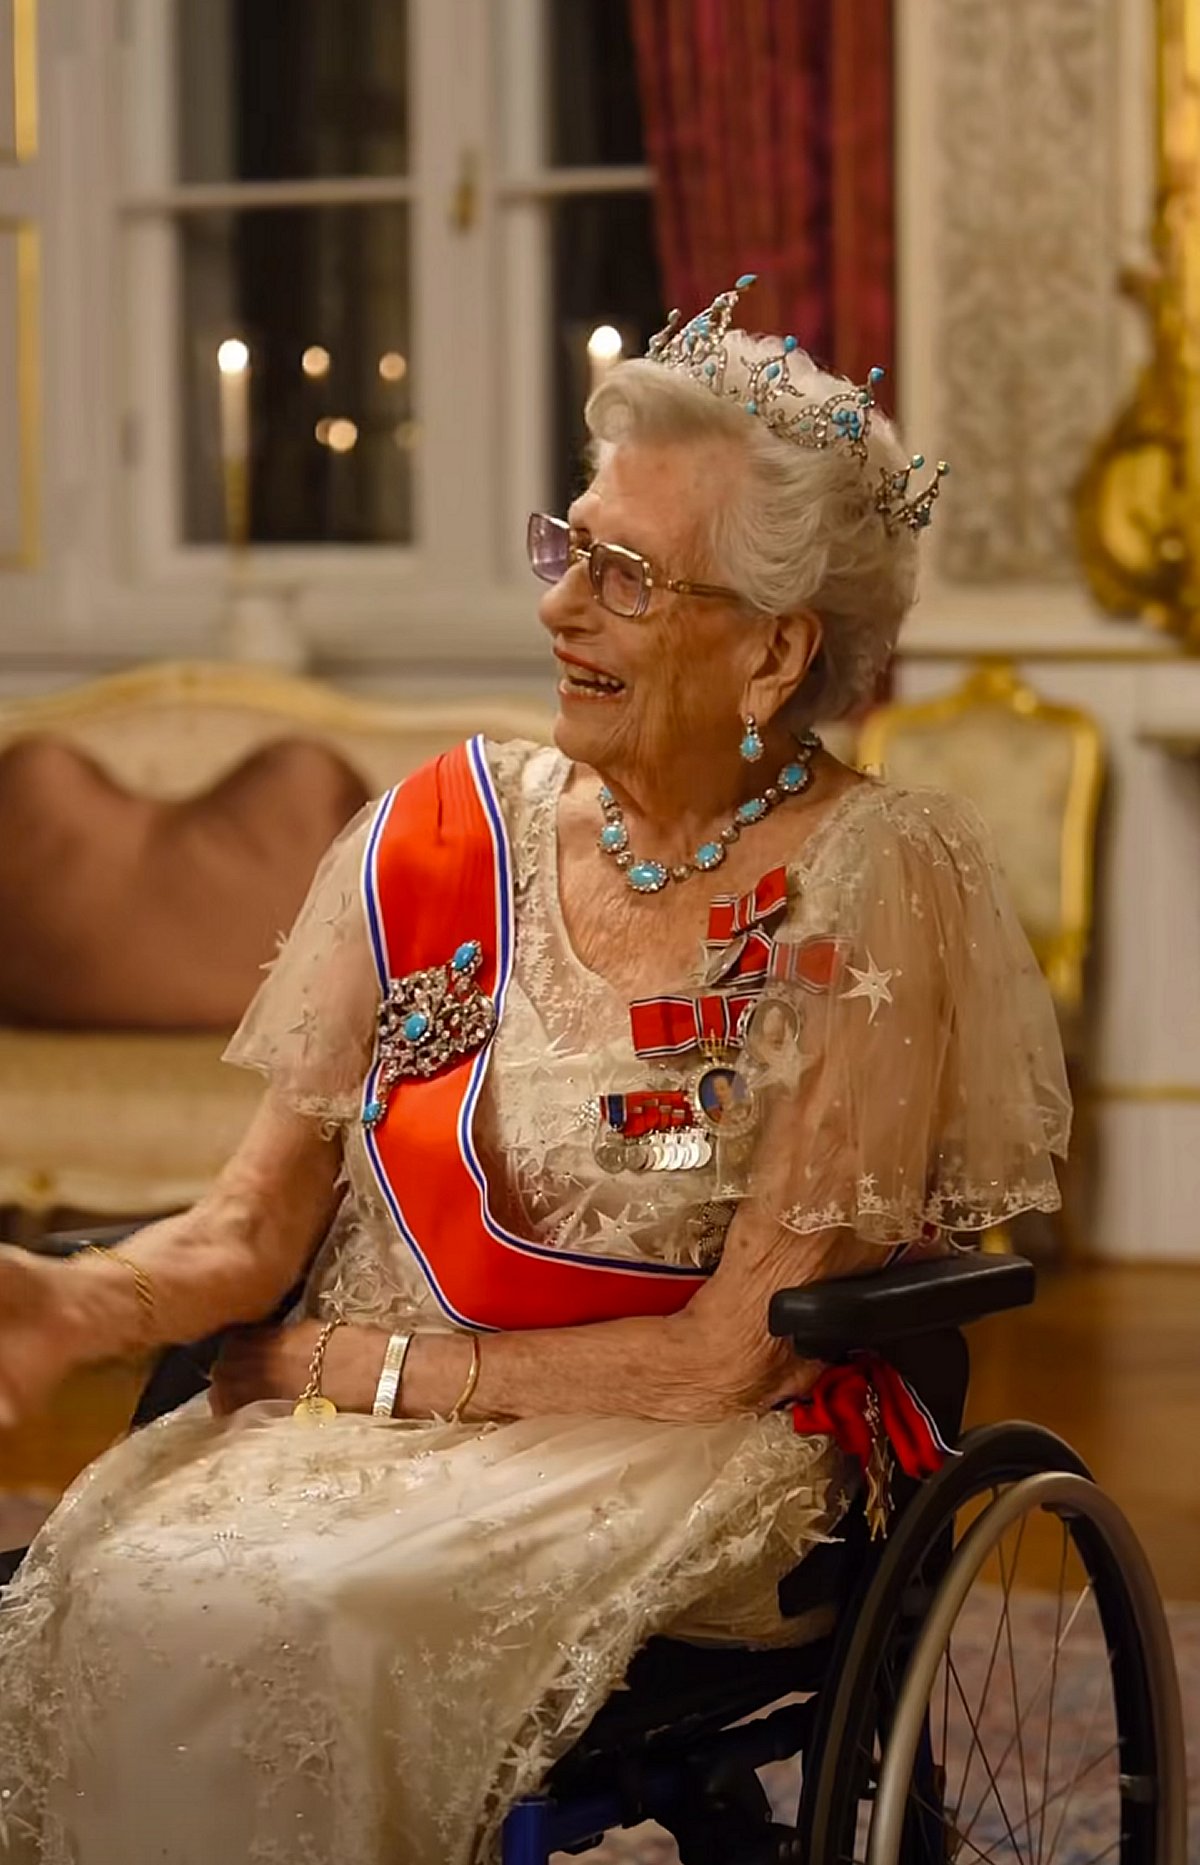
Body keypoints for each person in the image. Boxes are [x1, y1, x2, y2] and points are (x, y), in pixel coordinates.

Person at [0, 277, 1070, 1865]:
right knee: (110, 1583)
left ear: (774, 648)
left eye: (626, 574)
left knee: (324, 1612)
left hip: (684, 1442)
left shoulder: (869, 878)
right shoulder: (435, 835)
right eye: (564, 546)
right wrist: (76, 1303)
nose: (562, 607)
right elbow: (249, 1230)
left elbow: (730, 1354)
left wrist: (359, 1374)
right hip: (371, 1418)